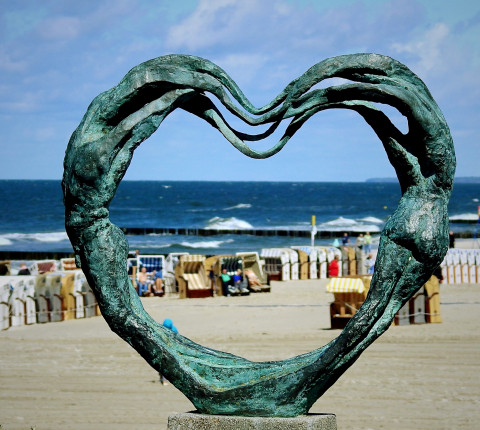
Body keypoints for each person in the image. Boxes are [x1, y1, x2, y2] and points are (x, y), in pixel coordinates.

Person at [159, 318, 178, 385]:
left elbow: (177, 340)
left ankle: (164, 377)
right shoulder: (160, 329)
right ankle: (163, 378)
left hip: (170, 348)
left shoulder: (174, 330)